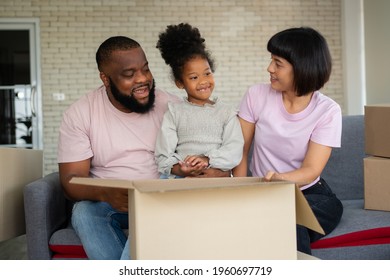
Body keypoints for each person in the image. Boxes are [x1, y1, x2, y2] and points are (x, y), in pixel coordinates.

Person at [57, 36, 228, 260]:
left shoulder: (173, 107)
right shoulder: (80, 114)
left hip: (162, 197)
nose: (142, 79)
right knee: (83, 213)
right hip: (113, 202)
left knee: (157, 205)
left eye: (145, 69)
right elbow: (71, 181)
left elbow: (205, 154)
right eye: (129, 75)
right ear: (105, 79)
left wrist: (214, 170)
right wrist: (105, 192)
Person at [234, 27, 343, 255]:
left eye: (278, 63)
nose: (269, 68)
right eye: (271, 60)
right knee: (277, 219)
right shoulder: (256, 95)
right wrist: (242, 193)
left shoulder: (327, 111)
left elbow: (312, 169)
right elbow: (240, 151)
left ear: (301, 68)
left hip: (310, 193)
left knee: (290, 220)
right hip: (262, 192)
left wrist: (279, 180)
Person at [155, 23, 244, 178]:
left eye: (207, 74)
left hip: (217, 179)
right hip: (184, 181)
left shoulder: (226, 112)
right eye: (194, 77)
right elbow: (163, 155)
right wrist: (180, 169)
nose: (203, 81)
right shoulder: (174, 113)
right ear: (180, 83)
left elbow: (234, 149)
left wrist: (207, 159)